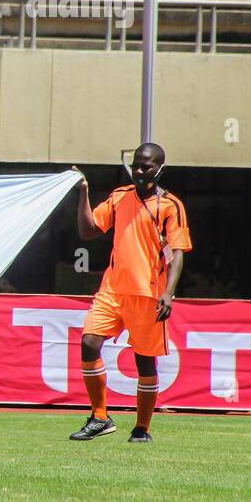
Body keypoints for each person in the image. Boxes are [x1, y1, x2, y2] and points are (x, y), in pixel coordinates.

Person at [70, 144, 191, 443]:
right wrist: (83, 192)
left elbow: (177, 253)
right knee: (88, 343)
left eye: (146, 166)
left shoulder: (169, 205)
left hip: (148, 294)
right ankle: (100, 417)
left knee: (144, 362)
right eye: (136, 165)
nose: (139, 171)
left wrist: (169, 293)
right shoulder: (120, 197)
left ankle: (142, 428)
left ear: (160, 168)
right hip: (112, 290)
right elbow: (88, 231)